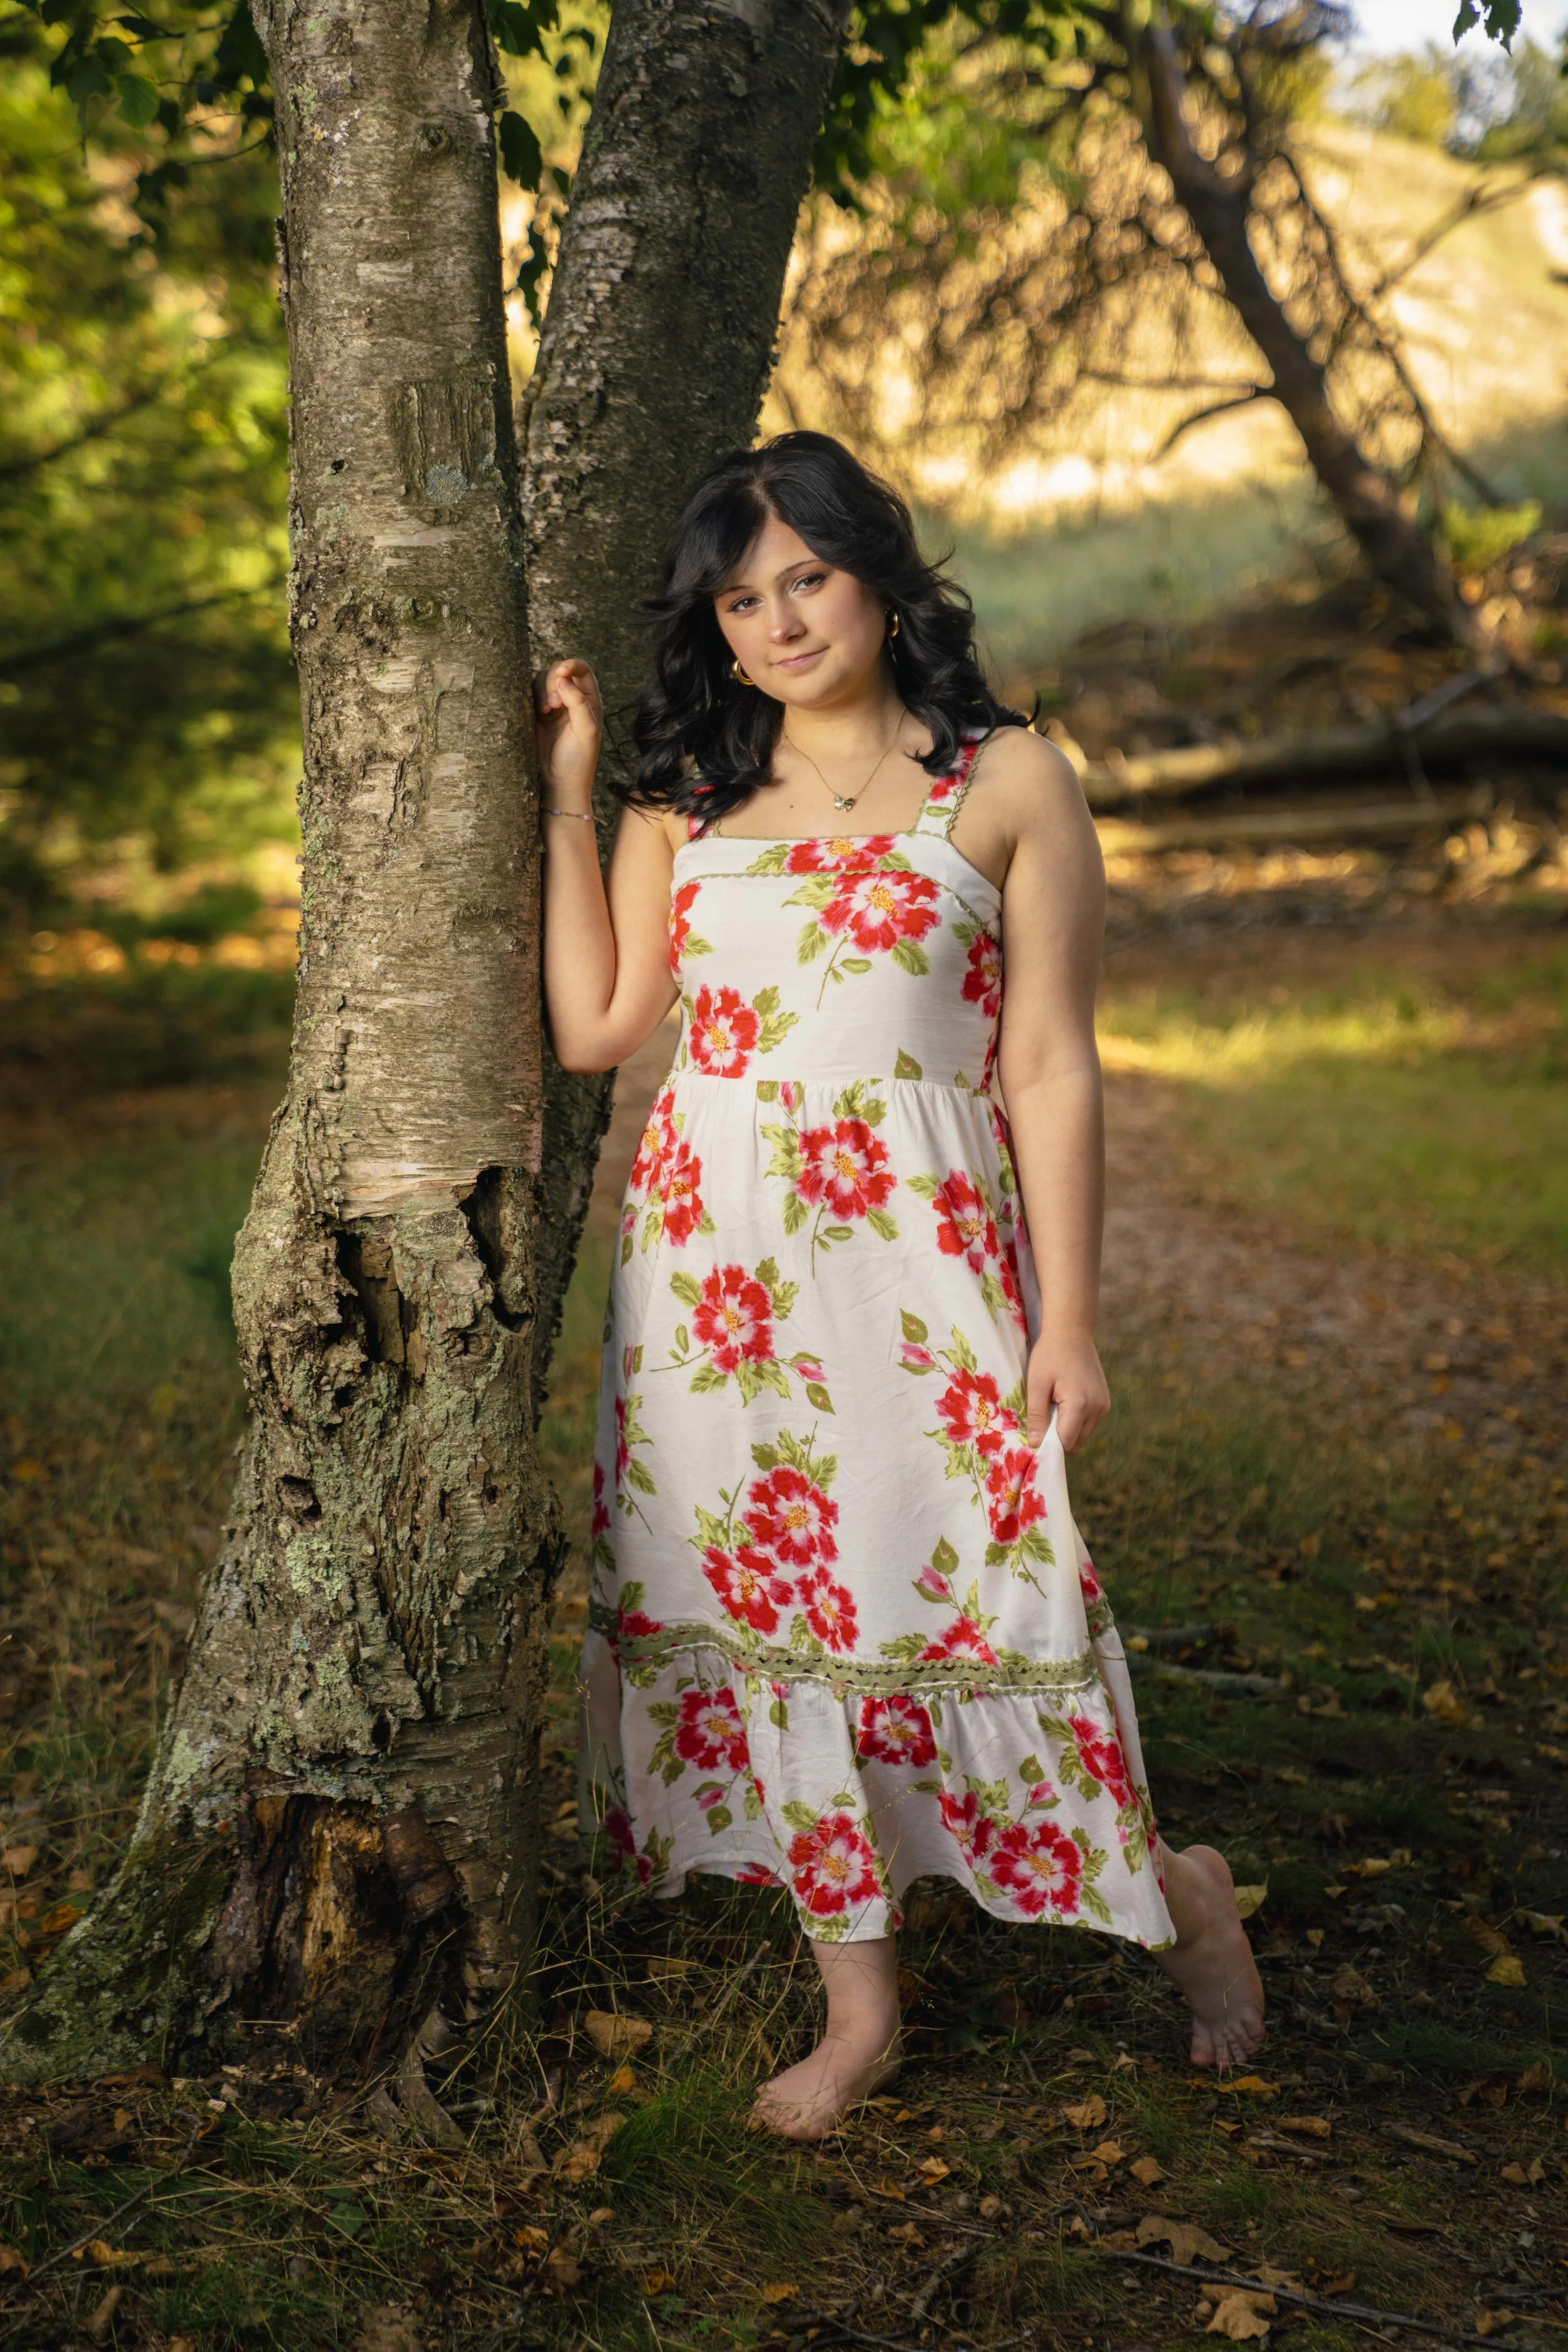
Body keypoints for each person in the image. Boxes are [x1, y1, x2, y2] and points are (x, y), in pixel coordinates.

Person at [536, 431, 1263, 2141]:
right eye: (740, 600)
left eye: (806, 578)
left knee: (972, 1596)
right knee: (779, 1623)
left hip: (922, 1270)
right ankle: (855, 2001)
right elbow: (594, 1031)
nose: (780, 622)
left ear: (878, 573)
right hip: (715, 1294)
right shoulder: (689, 800)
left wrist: (1067, 1318)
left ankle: (1176, 1893)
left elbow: (1055, 1068)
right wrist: (571, 797)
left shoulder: (1006, 781)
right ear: (710, 628)